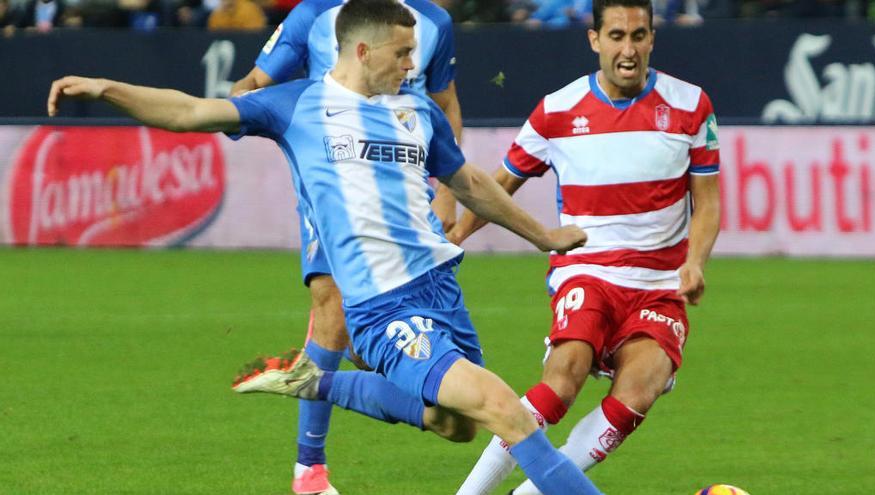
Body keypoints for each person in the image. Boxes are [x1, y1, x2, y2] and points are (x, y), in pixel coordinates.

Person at [47, 2, 603, 494]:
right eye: (403, 53)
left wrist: (544, 237)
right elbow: (191, 111)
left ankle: (317, 379)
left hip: (443, 290)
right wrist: (107, 89)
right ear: (362, 50)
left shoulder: (419, 113)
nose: (413, 66)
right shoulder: (297, 105)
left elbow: (471, 186)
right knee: (510, 413)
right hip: (383, 307)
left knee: (454, 425)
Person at [448, 0, 721, 493]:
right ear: (595, 40)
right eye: (616, 36)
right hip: (587, 271)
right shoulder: (557, 111)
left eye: (639, 36)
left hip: (659, 285)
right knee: (563, 377)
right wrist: (456, 237)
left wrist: (695, 263)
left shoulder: (690, 106)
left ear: (653, 39)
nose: (628, 49)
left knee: (641, 389)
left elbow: (709, 202)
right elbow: (498, 186)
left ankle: (531, 492)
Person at [227, 1, 462, 492]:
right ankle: (309, 469)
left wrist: (446, 190)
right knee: (331, 305)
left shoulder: (433, 21)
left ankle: (368, 366)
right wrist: (248, 115)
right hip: (335, 180)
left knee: (393, 356)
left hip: (406, 191)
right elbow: (252, 86)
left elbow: (445, 104)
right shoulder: (314, 14)